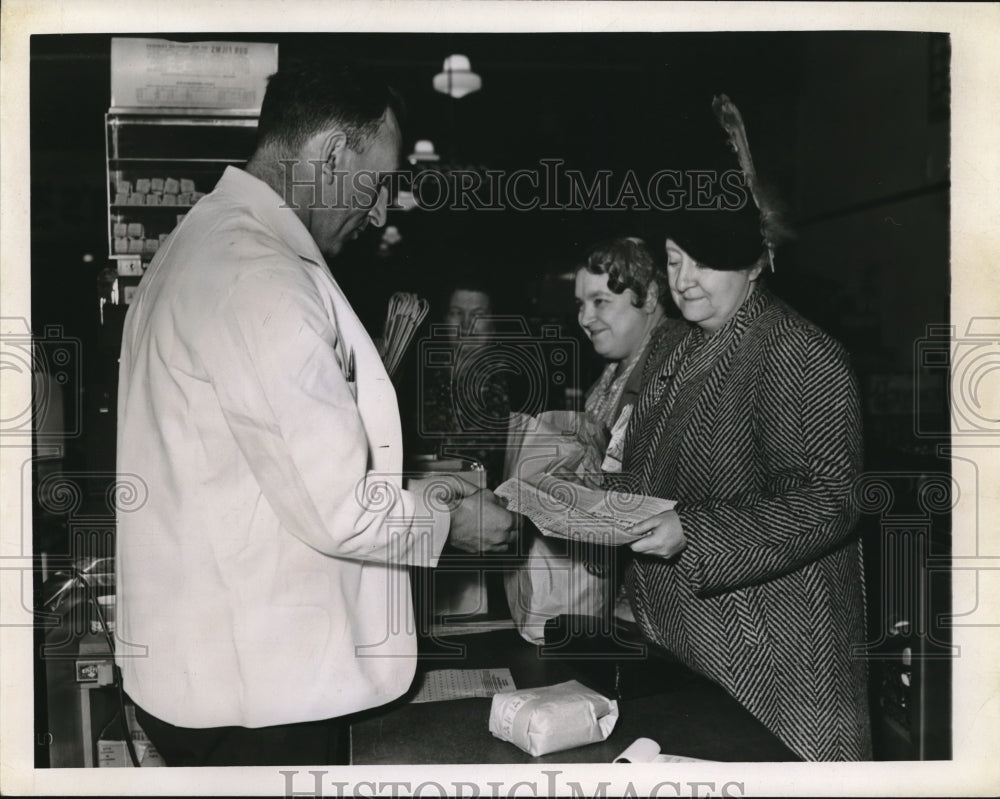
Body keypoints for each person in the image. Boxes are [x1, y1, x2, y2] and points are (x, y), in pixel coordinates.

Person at [114, 58, 515, 766]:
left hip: (211, 672)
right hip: (259, 698)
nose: (383, 210)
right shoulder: (260, 275)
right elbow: (337, 509)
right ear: (330, 155)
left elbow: (265, 479)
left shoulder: (202, 242)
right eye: (381, 182)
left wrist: (424, 493)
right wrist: (456, 521)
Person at [618, 95, 871, 761]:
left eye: (703, 259)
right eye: (673, 258)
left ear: (755, 258)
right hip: (696, 657)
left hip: (778, 676)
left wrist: (691, 530)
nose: (684, 279)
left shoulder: (795, 351)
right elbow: (660, 471)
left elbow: (827, 500)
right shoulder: (674, 347)